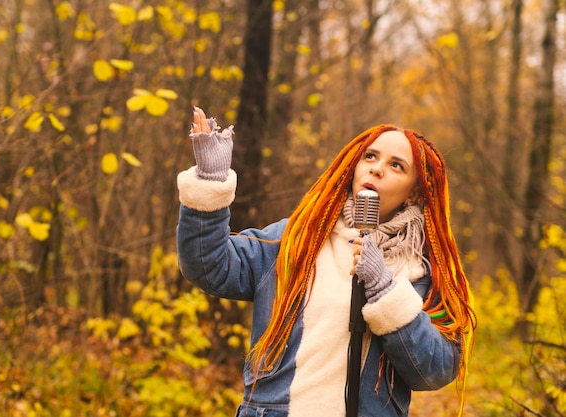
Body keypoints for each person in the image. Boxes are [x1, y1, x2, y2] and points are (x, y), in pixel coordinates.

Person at [176, 107, 476, 417]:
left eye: (396, 165)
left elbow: (436, 371)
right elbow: (210, 266)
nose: (376, 169)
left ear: (414, 193)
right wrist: (210, 183)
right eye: (370, 157)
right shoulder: (296, 240)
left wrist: (386, 291)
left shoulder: (422, 273)